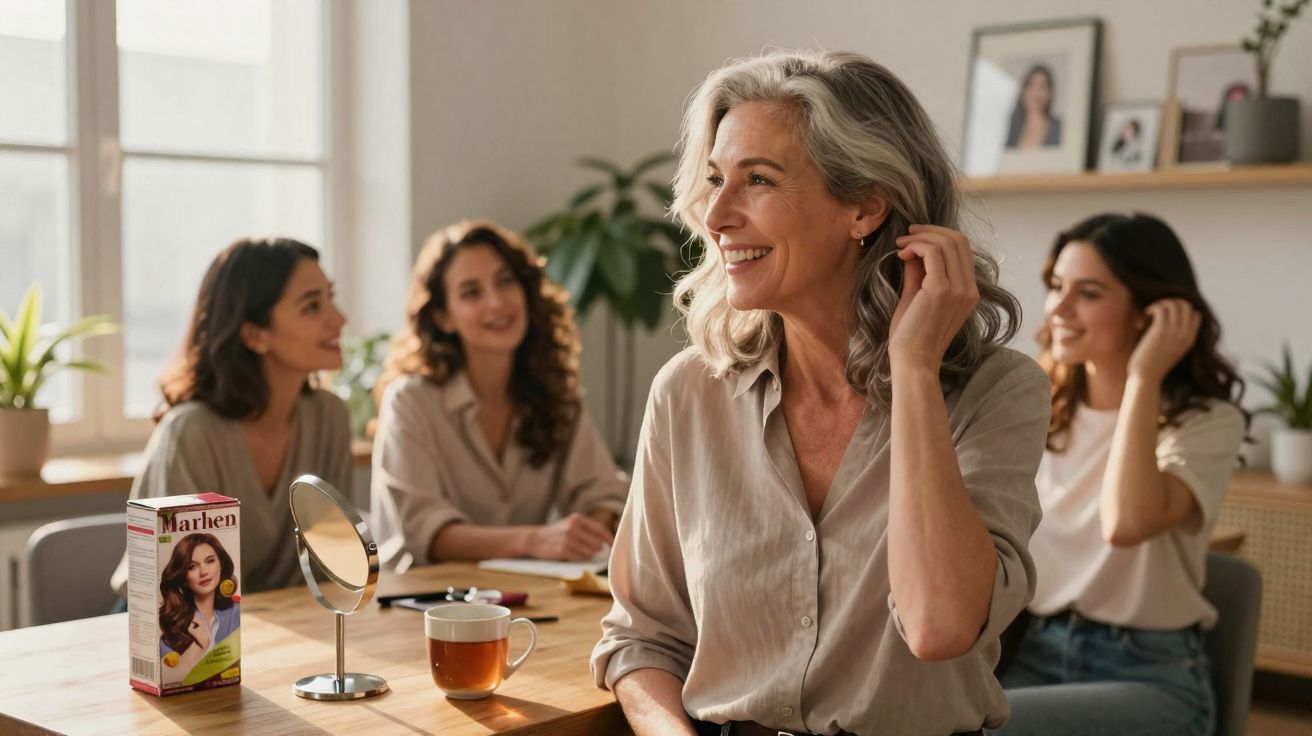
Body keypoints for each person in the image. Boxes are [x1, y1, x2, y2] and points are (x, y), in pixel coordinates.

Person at [591, 50, 1052, 736]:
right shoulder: (687, 394)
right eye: (716, 178)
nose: (716, 214)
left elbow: (939, 625)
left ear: (864, 205)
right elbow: (642, 639)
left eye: (758, 180)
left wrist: (917, 371)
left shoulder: (997, 392)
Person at [993, 213, 1247, 736]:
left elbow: (1126, 522)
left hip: (1150, 674)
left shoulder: (1206, 423)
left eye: (1088, 293)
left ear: (1147, 312)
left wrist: (1143, 376)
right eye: (1057, 287)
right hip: (1034, 650)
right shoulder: (1035, 409)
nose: (1058, 308)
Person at [369, 219, 628, 570]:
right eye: (471, 293)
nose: (497, 302)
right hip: (420, 603)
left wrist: (589, 530)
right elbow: (423, 531)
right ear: (444, 317)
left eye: (506, 282)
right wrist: (536, 540)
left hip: (523, 598)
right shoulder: (411, 401)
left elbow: (605, 492)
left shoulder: (555, 394)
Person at [111, 238, 353, 596]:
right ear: (255, 335)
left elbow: (333, 562)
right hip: (174, 632)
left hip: (281, 624)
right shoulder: (191, 433)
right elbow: (174, 593)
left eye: (330, 298)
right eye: (312, 306)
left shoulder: (329, 417)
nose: (339, 318)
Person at [159, 532, 240, 683]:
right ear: (183, 577)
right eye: (192, 567)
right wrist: (198, 647)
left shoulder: (235, 613)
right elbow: (166, 680)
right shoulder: (173, 629)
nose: (203, 572)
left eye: (210, 561)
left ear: (221, 564)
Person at [1005, 64, 1063, 150]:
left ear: (1050, 93)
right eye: (1031, 86)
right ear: (1023, 92)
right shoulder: (1009, 128)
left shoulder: (1059, 128)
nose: (1036, 93)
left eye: (1042, 87)